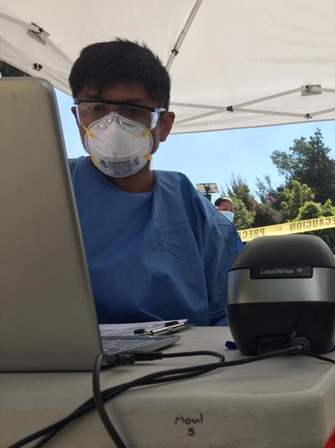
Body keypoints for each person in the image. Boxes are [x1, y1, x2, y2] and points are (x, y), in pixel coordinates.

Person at [68, 39, 243, 326]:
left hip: (186, 355)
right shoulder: (49, 189)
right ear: (77, 117)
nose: (112, 126)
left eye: (133, 111)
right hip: (64, 355)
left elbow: (233, 314)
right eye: (96, 107)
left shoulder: (191, 210)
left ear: (164, 125)